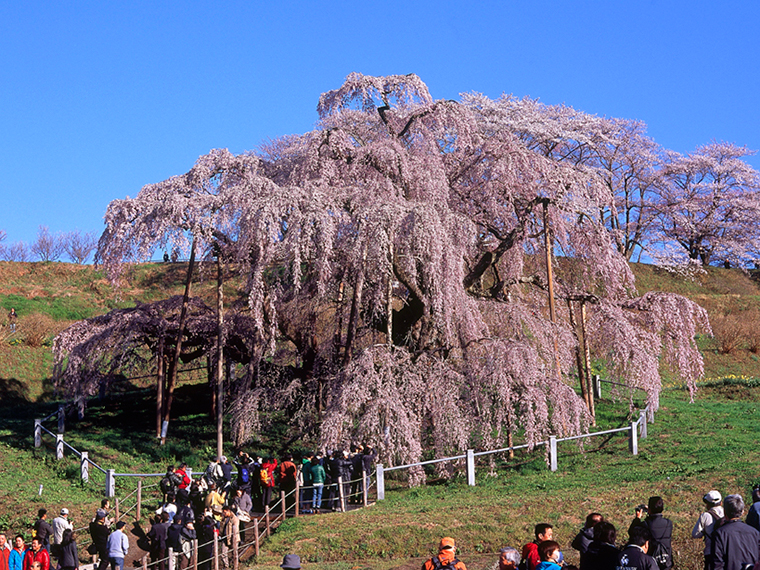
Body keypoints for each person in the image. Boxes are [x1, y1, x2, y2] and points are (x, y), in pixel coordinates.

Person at [712, 494, 760, 570]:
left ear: (724, 512)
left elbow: (717, 564)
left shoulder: (720, 533)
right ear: (742, 511)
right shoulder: (755, 533)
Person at [630, 497, 673, 570]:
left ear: (649, 509)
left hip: (652, 561)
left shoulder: (646, 524)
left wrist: (638, 518)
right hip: (666, 560)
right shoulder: (668, 523)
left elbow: (632, 532)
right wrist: (650, 511)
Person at [693, 490, 724, 570]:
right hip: (725, 551)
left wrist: (704, 531)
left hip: (710, 552)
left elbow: (695, 534)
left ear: (707, 504)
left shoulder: (705, 516)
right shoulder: (727, 513)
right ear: (721, 503)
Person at [219, 505, 239, 570]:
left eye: (225, 512)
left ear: (229, 511)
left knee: (234, 553)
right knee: (223, 553)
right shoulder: (224, 518)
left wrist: (233, 538)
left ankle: (235, 566)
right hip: (225, 538)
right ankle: (226, 565)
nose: (224, 513)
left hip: (233, 538)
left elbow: (236, 529)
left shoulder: (235, 518)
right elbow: (222, 527)